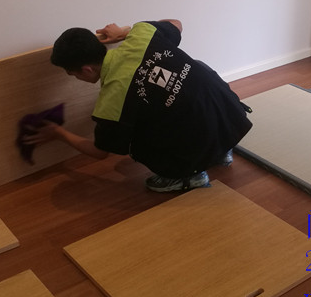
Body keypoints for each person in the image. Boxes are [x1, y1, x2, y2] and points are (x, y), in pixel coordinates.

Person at [25, 19, 252, 192]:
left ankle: (188, 176)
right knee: (198, 70)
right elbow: (176, 24)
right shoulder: (142, 34)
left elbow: (99, 152)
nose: (74, 77)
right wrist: (124, 33)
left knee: (133, 140)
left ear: (87, 69)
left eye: (72, 74)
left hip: (196, 144)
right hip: (231, 119)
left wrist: (58, 133)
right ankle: (222, 151)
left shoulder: (111, 103)